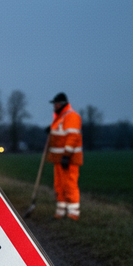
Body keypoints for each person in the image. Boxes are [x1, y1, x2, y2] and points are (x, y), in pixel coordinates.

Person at [48, 92, 83, 220]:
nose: (54, 106)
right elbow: (60, 134)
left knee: (70, 185)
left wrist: (66, 155)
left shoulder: (71, 116)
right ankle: (61, 212)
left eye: (56, 103)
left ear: (62, 104)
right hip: (59, 159)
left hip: (69, 159)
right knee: (59, 185)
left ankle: (73, 213)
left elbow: (72, 137)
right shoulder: (60, 117)